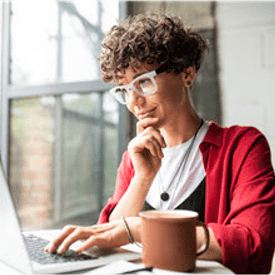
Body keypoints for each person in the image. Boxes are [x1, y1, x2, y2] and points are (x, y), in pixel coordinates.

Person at [45, 13, 275, 274]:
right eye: (124, 89)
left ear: (186, 73)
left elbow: (253, 246)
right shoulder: (134, 158)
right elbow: (106, 239)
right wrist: (142, 179)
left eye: (143, 81)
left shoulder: (243, 147)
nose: (134, 102)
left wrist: (144, 229)